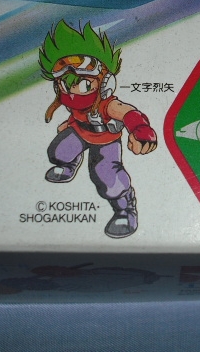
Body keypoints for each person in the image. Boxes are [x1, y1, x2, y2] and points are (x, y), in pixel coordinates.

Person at [39, 20, 157, 238]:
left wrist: (141, 132)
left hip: (105, 142)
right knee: (58, 152)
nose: (74, 91)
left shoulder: (106, 104)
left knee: (107, 177)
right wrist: (69, 124)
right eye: (66, 84)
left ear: (105, 82)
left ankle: (125, 210)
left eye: (83, 84)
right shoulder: (72, 98)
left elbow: (129, 114)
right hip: (79, 131)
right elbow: (77, 112)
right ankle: (70, 165)